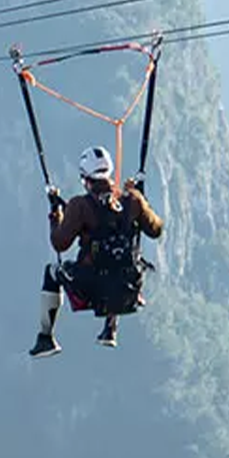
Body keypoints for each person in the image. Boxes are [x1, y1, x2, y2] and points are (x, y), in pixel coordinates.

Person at [33, 146, 162, 352]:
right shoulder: (132, 201)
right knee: (118, 259)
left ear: (85, 178)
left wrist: (56, 216)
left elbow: (59, 243)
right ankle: (110, 329)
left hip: (91, 287)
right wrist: (140, 200)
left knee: (52, 272)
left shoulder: (80, 206)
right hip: (126, 286)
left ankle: (45, 337)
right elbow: (156, 229)